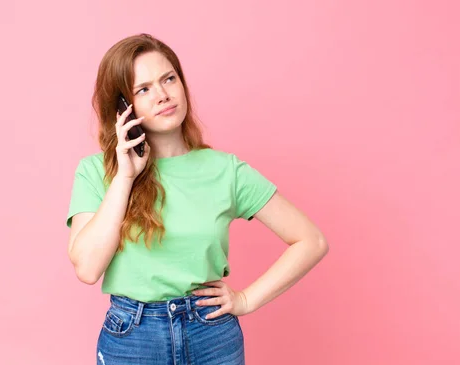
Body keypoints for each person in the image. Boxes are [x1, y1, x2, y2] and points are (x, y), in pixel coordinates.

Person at [66, 33, 329, 365]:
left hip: (211, 333)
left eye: (169, 79)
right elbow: (88, 269)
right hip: (133, 337)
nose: (162, 95)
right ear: (122, 107)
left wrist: (246, 300)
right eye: (143, 89)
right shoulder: (97, 172)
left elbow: (311, 240)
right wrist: (125, 176)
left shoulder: (225, 171)